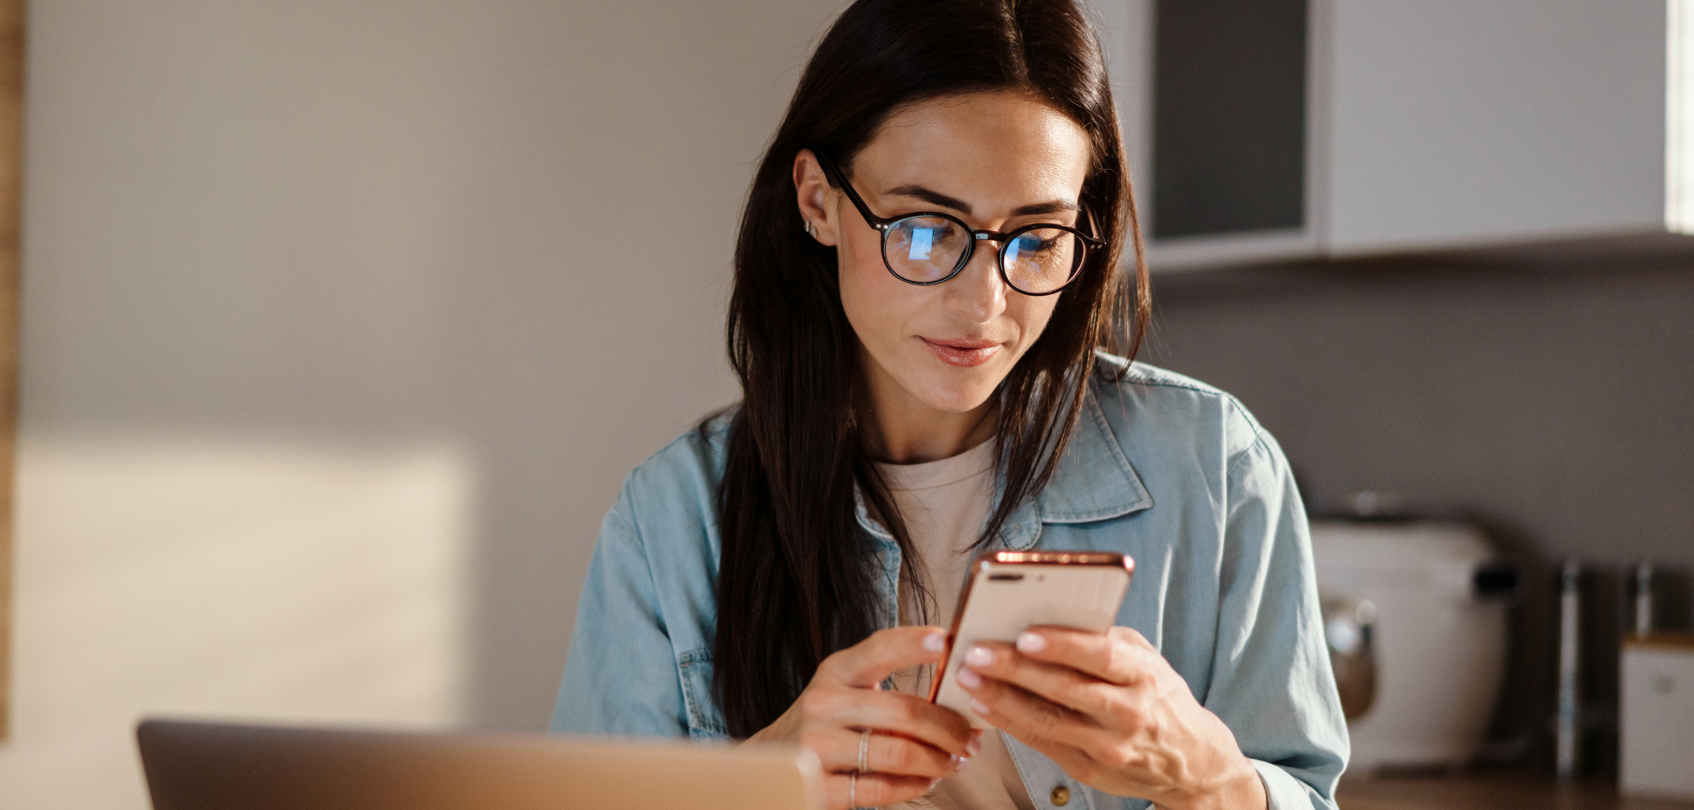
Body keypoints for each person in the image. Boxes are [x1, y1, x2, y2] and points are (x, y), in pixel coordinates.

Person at [549, 0, 1349, 808]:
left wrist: (1213, 779)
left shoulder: (1216, 468)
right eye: (929, 230)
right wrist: (755, 783)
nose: (984, 304)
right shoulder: (670, 522)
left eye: (1036, 238)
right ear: (818, 202)